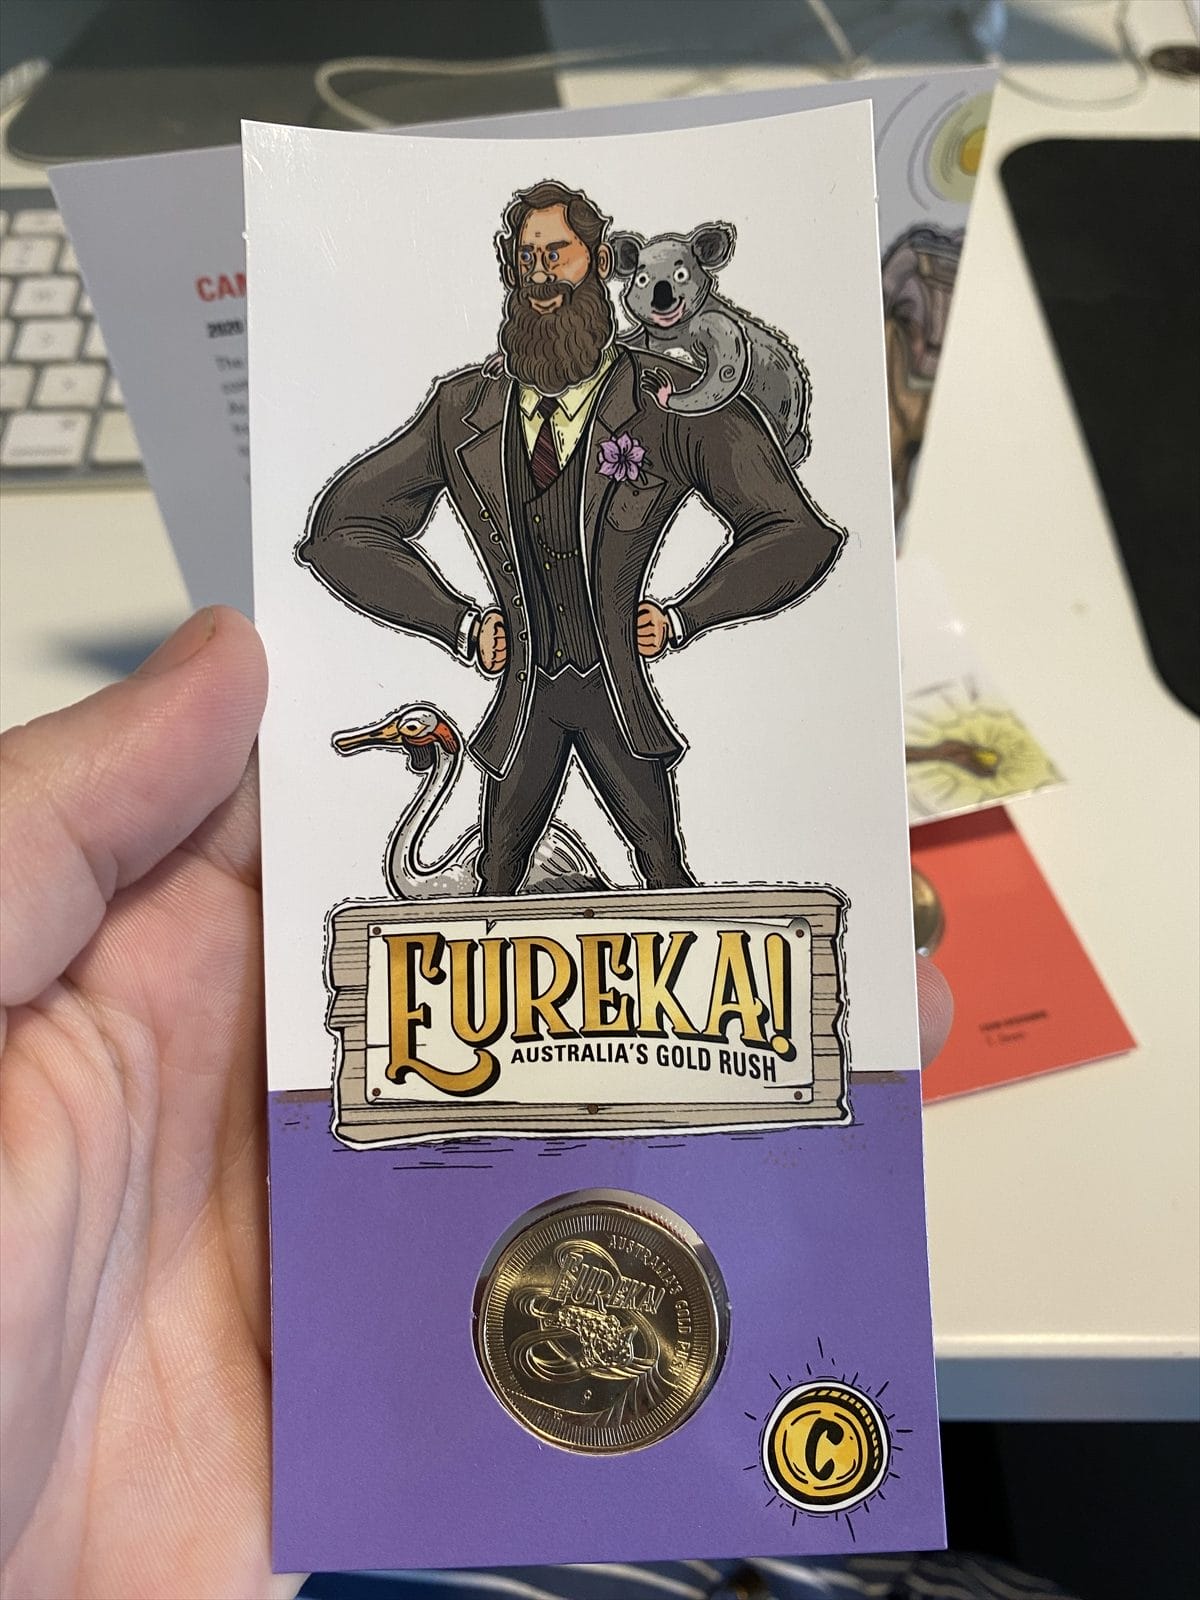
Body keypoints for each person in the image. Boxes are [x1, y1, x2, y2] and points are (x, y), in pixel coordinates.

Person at [0, 609, 953, 1598]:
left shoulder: (503, 863)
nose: (391, 742)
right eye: (397, 735)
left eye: (407, 736)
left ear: (439, 748)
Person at [299, 180, 844, 896]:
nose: (541, 276)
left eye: (557, 254)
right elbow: (340, 530)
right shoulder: (462, 408)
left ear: (600, 263)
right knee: (493, 890)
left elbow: (797, 533)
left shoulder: (671, 399)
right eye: (526, 259)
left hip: (617, 694)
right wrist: (458, 624)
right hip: (524, 704)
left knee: (666, 878)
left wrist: (686, 615)